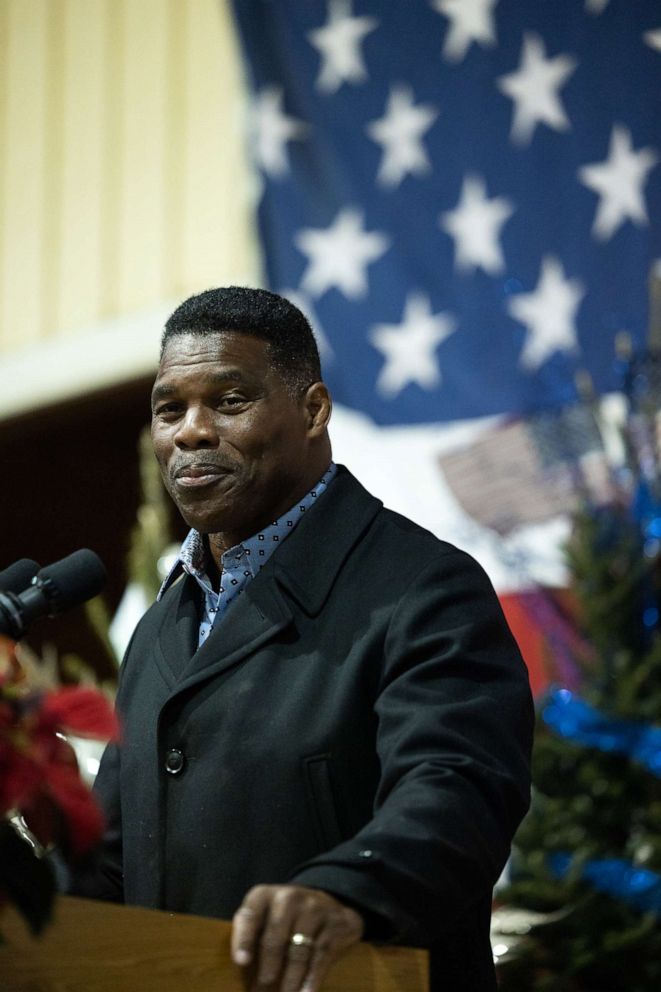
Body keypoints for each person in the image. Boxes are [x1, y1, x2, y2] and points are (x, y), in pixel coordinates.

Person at [74, 286, 533, 992]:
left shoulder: (421, 587)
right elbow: (113, 861)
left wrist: (344, 893)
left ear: (313, 410)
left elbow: (457, 791)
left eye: (228, 402)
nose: (191, 433)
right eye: (171, 409)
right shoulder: (163, 626)